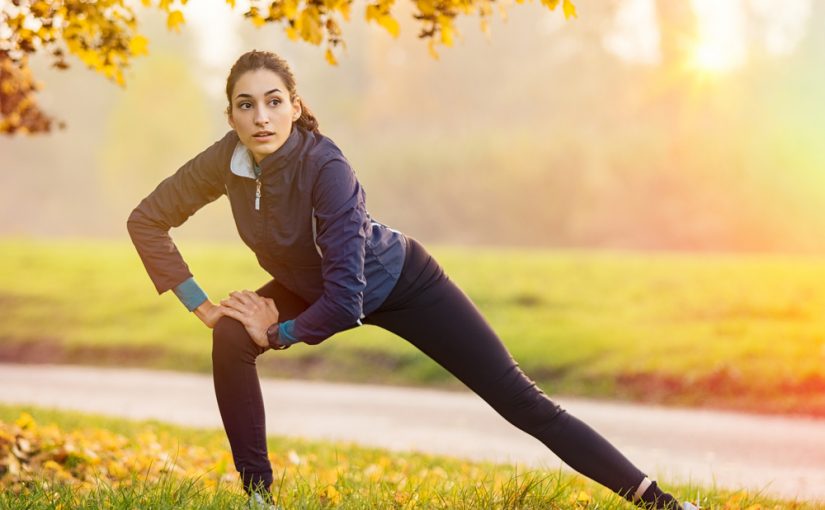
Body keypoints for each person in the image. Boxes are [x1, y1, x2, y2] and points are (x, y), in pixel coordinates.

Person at [127, 49, 697, 510]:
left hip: (400, 282)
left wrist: (275, 332)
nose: (261, 117)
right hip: (312, 284)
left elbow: (346, 297)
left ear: (296, 107)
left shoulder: (326, 167)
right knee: (229, 336)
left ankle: (660, 502)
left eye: (274, 102)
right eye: (245, 105)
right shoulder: (226, 160)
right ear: (230, 115)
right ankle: (257, 499)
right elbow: (147, 219)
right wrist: (207, 308)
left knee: (520, 400)